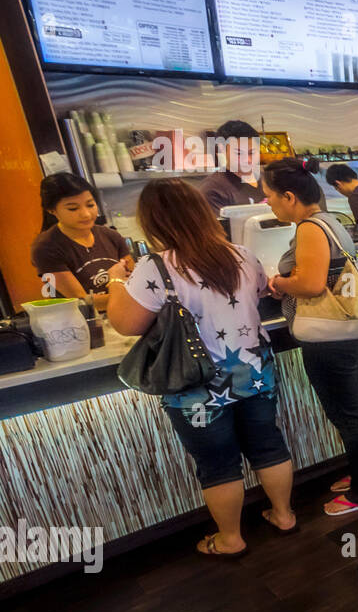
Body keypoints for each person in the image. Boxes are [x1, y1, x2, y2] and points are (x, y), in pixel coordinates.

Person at [104, 179, 295, 557]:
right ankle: (284, 515)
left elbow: (127, 325)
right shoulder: (241, 254)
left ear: (153, 222)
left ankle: (230, 539)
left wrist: (114, 281)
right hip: (255, 371)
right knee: (268, 444)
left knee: (217, 463)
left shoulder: (154, 266)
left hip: (196, 385)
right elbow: (257, 294)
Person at [263, 160, 358, 516]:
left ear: (289, 197)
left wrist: (280, 283)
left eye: (270, 196)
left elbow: (312, 284)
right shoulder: (330, 220)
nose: (268, 203)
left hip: (327, 334)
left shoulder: (309, 228)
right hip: (345, 331)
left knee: (348, 414)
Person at [31, 172, 134, 309]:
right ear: (51, 210)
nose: (86, 214)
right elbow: (83, 302)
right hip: (83, 324)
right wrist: (123, 289)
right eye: (73, 208)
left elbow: (135, 281)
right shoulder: (46, 248)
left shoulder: (111, 235)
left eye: (90, 205)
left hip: (124, 316)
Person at [200, 119, 264, 214]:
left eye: (252, 152)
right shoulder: (213, 189)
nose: (248, 160)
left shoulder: (269, 181)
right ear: (222, 149)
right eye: (239, 153)